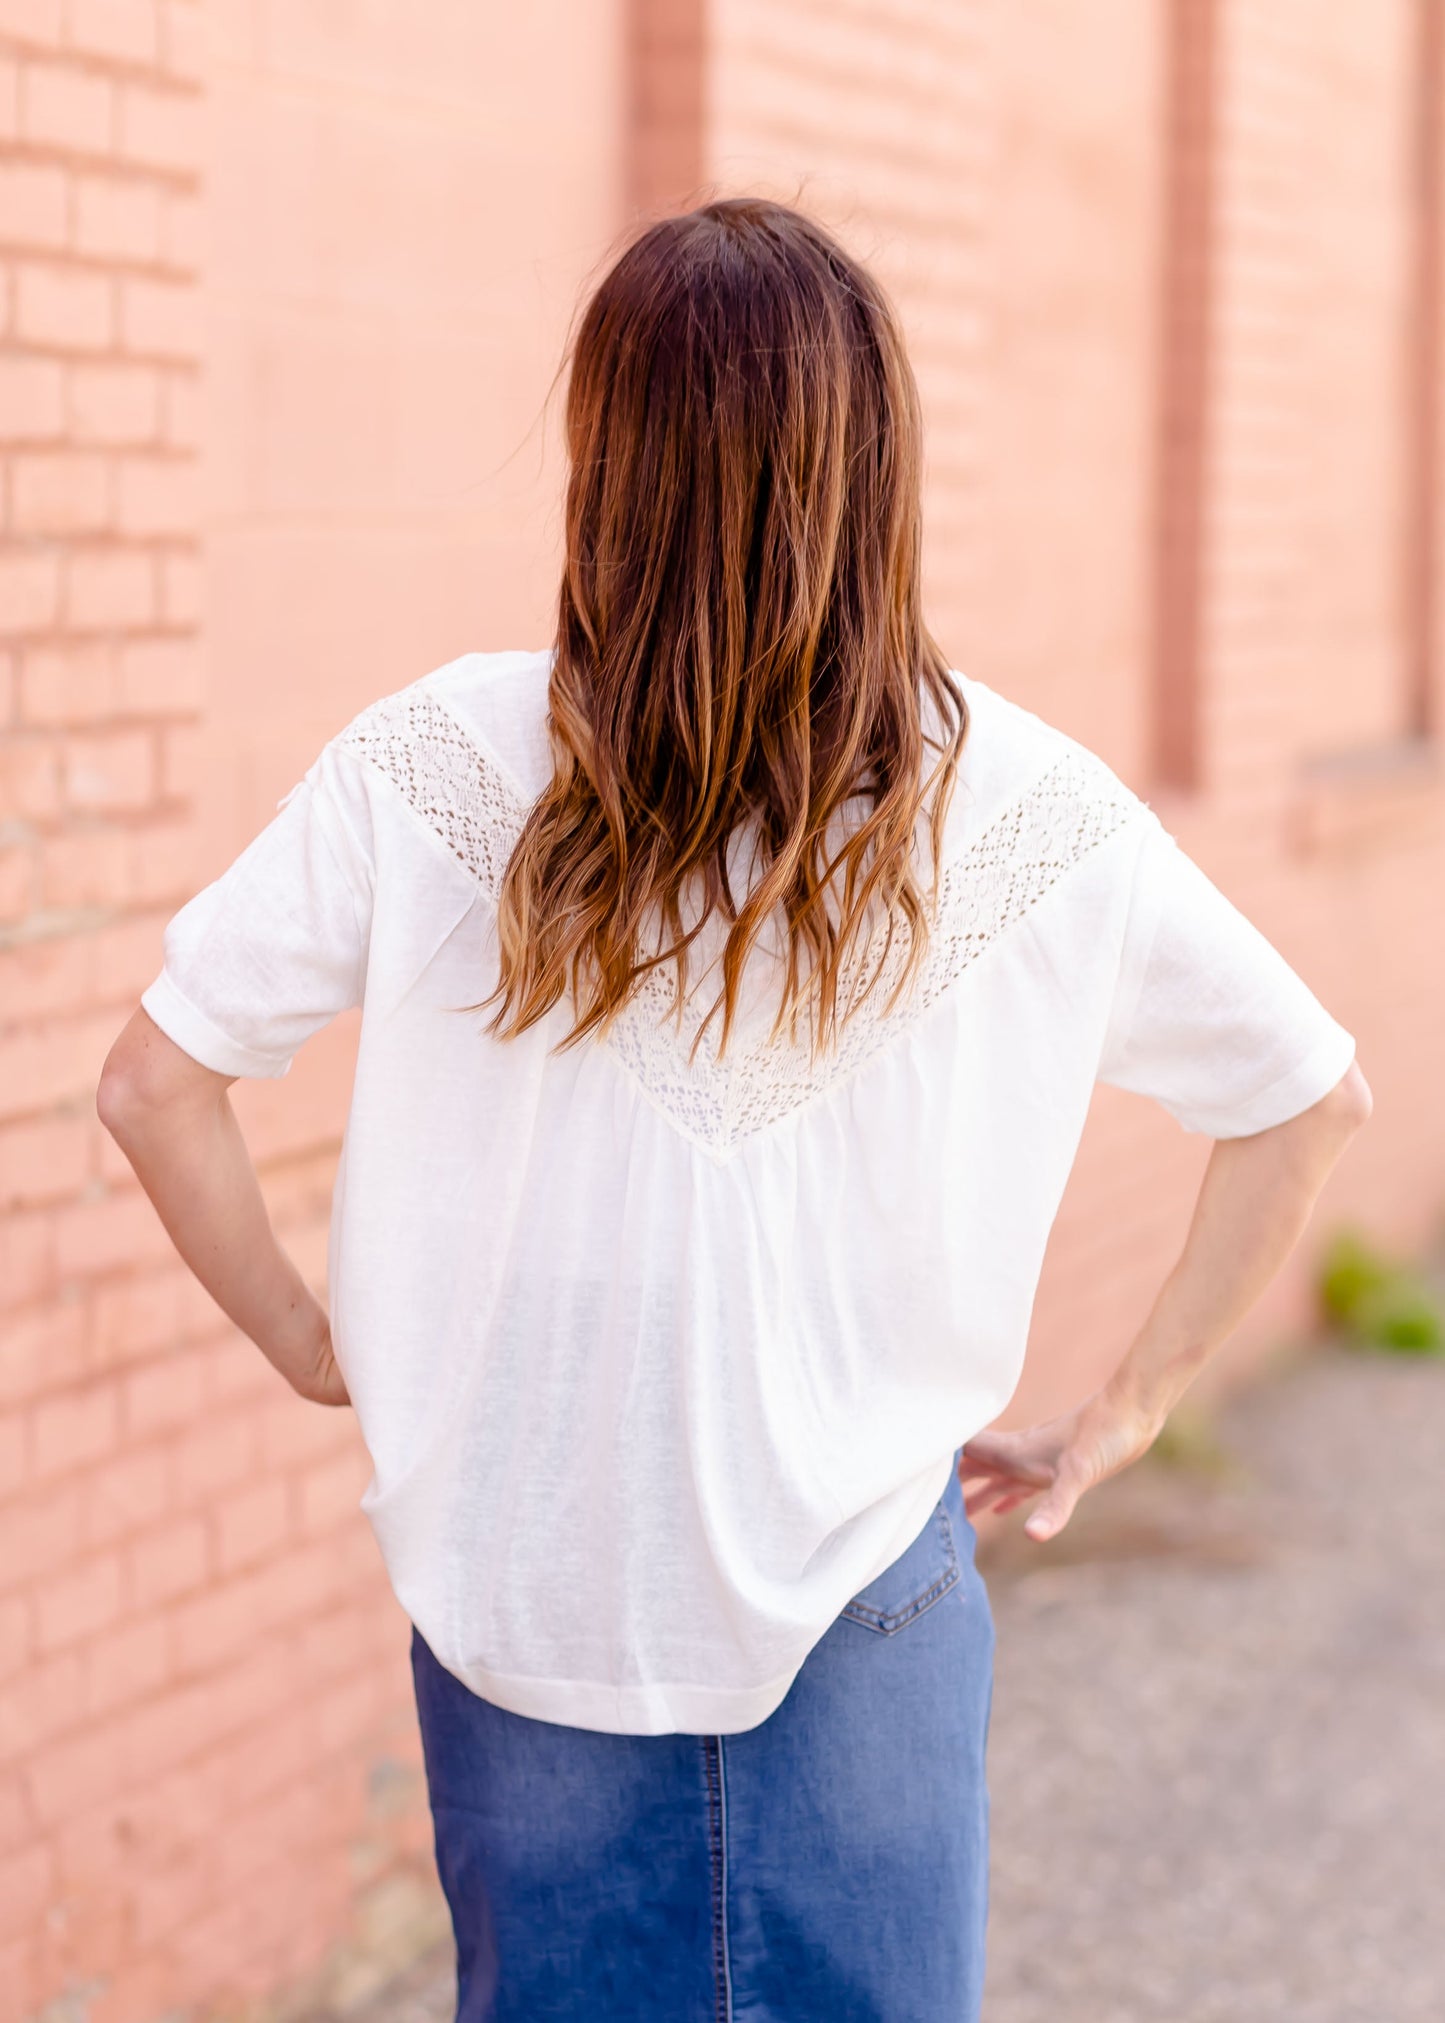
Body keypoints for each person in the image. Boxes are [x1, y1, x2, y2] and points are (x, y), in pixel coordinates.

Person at [97, 196, 1371, 2023]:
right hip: (867, 1603)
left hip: (526, 1594)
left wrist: (317, 1338)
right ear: (870, 471)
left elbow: (153, 1083)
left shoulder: (434, 760)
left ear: (605, 460)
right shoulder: (1015, 803)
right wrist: (1122, 1412)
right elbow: (1309, 1096)